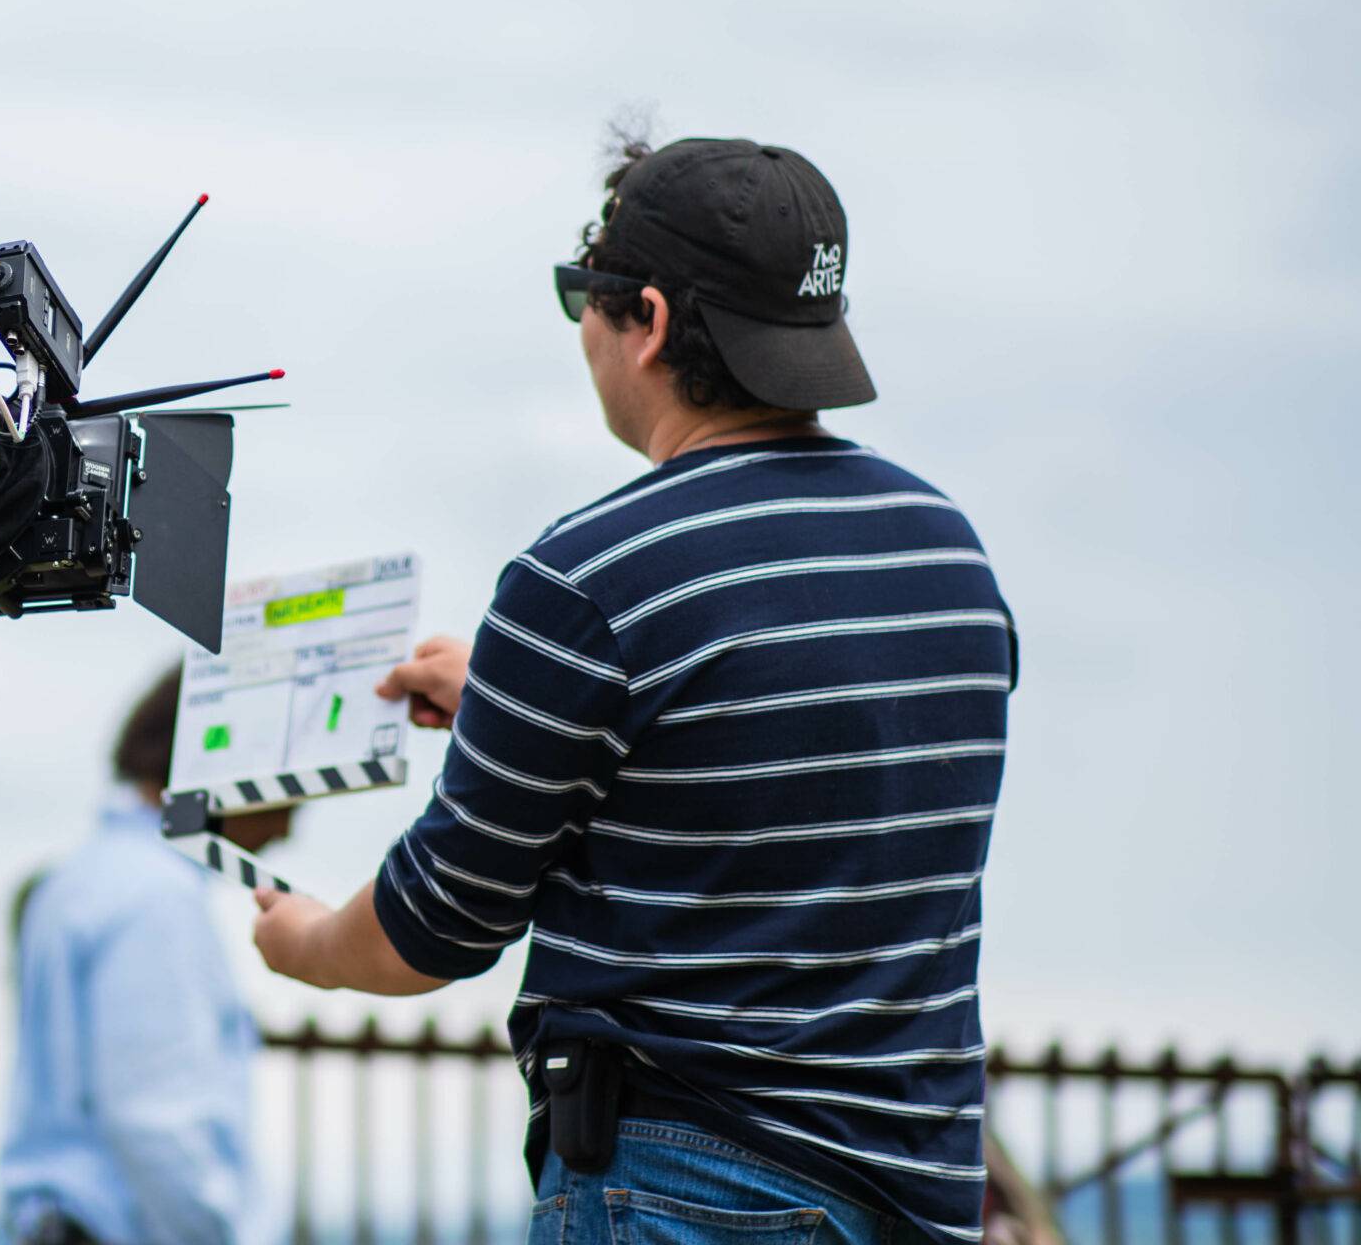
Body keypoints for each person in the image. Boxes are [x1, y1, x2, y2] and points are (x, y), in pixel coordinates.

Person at [251, 137, 1014, 1245]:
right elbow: (783, 781)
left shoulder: (588, 579)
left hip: (689, 1195)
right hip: (921, 1190)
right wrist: (510, 710)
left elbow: (439, 923)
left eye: (584, 299)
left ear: (644, 319)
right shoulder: (947, 557)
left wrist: (307, 942)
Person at [0, 668, 296, 1245]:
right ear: (232, 765)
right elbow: (156, 1124)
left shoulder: (82, 877)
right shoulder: (155, 896)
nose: (287, 825)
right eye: (291, 785)